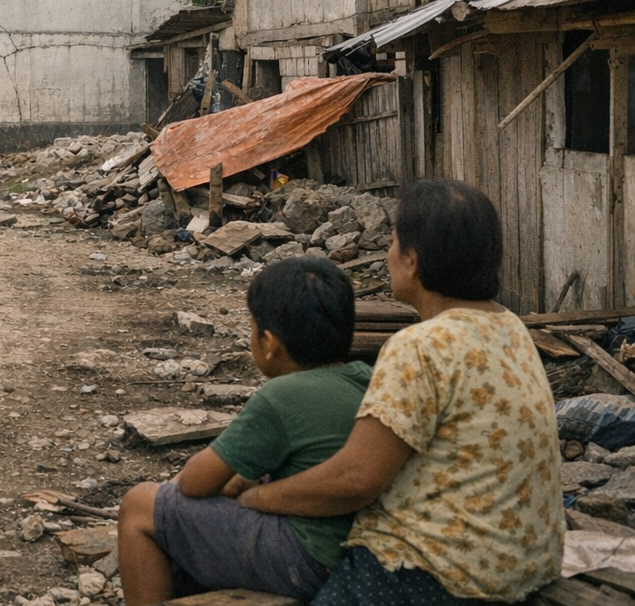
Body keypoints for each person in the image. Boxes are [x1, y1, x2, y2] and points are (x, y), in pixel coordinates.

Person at [237, 179, 563, 605]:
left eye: (392, 244)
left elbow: (356, 481)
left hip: (441, 573)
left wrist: (257, 497)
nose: (388, 255)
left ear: (411, 261)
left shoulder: (419, 346)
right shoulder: (509, 326)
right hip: (525, 560)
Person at [117, 257, 371, 604]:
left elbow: (195, 482)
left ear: (269, 343)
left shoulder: (281, 397)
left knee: (140, 505)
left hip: (302, 557)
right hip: (350, 553)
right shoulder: (364, 379)